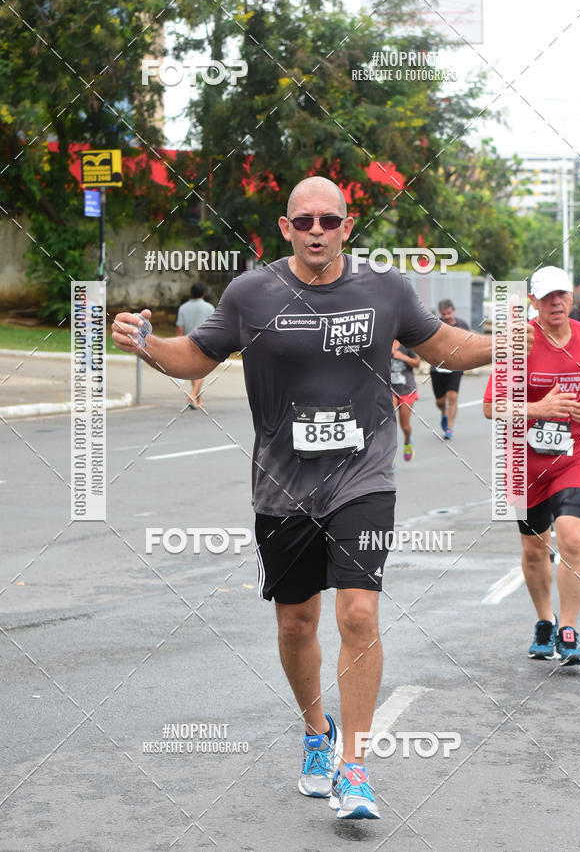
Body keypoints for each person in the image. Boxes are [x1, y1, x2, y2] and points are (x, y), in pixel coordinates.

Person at [112, 175, 492, 821]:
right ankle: (316, 732)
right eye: (305, 220)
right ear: (285, 228)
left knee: (358, 615)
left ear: (348, 226)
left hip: (363, 478)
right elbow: (195, 357)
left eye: (331, 220)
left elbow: (445, 346)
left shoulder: (385, 290)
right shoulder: (252, 294)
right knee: (296, 622)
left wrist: (510, 343)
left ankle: (355, 766)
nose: (318, 229)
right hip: (283, 488)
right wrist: (148, 346)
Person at [483, 265, 580, 666]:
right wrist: (538, 408)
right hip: (523, 460)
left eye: (562, 294)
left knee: (572, 537)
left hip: (575, 455)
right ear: (532, 301)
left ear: (572, 298)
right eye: (547, 296)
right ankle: (544, 621)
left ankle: (568, 629)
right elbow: (489, 407)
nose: (556, 302)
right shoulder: (520, 342)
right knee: (535, 548)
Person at [430, 299, 470, 440]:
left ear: (453, 310)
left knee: (453, 396)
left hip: (456, 366)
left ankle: (449, 428)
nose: (446, 316)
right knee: (440, 401)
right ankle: (444, 413)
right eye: (443, 314)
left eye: (449, 313)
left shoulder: (462, 325)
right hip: (438, 366)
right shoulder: (435, 324)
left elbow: (469, 344)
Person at [175, 282, 215, 408]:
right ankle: (192, 396)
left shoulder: (183, 308)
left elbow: (180, 329)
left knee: (194, 371)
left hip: (187, 342)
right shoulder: (209, 308)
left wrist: (177, 345)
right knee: (199, 372)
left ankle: (199, 400)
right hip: (204, 343)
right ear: (204, 293)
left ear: (191, 293)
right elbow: (213, 328)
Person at [390, 340, 420, 461]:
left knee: (405, 426)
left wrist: (402, 357)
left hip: (406, 389)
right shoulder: (384, 344)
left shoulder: (406, 345)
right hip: (390, 389)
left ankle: (407, 441)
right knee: (389, 424)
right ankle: (390, 458)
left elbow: (417, 363)